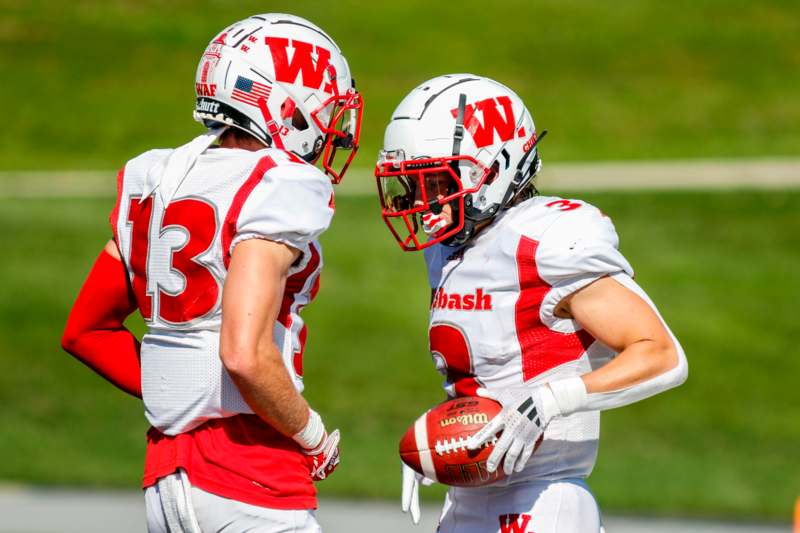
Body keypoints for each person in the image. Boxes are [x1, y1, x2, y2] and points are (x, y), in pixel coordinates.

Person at [61, 13, 363, 532]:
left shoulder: (158, 175)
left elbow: (87, 331)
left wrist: (178, 389)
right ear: (284, 106)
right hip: (251, 474)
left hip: (165, 480)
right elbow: (244, 355)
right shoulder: (279, 183)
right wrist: (312, 435)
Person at [374, 74, 688, 532]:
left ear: (494, 168)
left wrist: (551, 401)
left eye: (437, 182)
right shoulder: (444, 249)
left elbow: (662, 354)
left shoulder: (545, 240)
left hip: (543, 498)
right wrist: (435, 445)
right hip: (469, 498)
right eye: (414, 185)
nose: (424, 203)